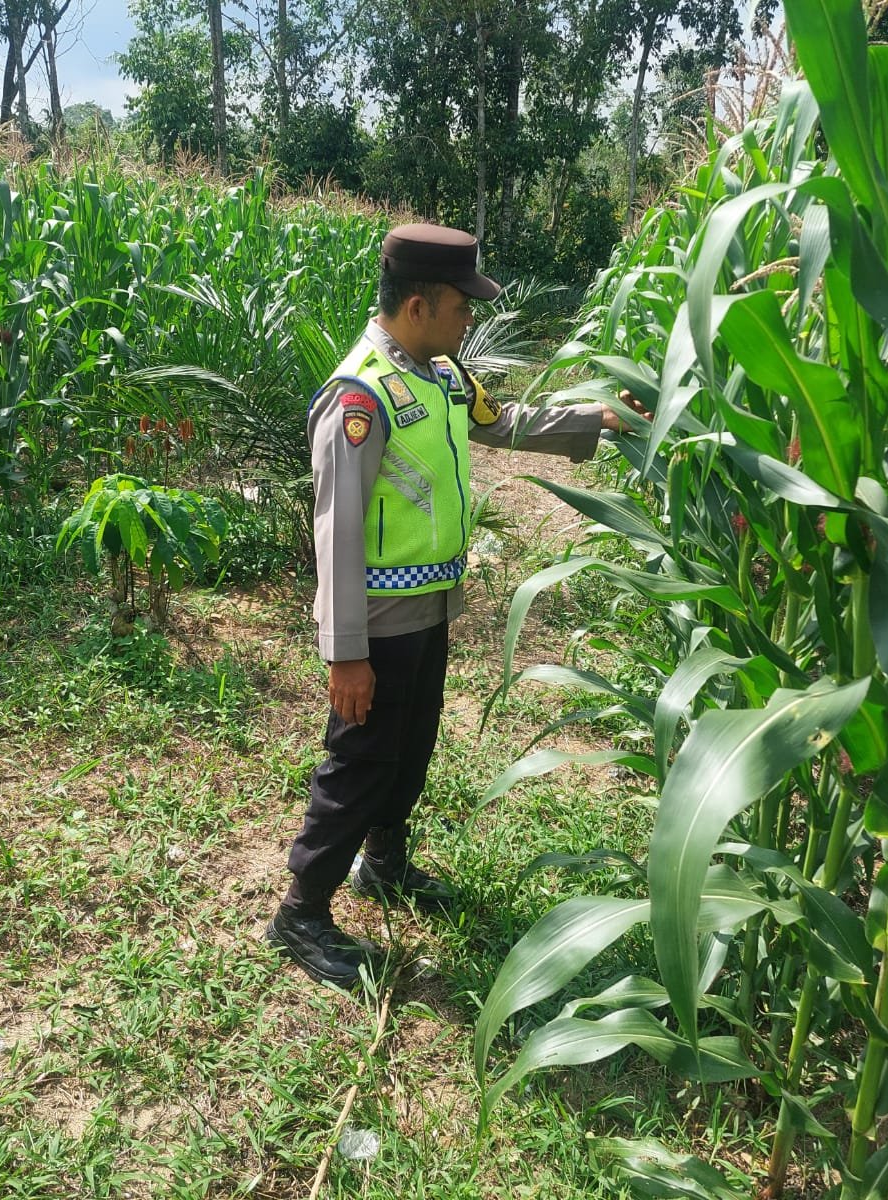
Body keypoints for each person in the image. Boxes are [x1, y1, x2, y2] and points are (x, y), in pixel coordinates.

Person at [266, 223, 639, 988]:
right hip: (377, 623)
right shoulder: (361, 395)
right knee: (361, 762)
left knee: (411, 747)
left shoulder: (440, 375)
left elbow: (503, 423)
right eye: (461, 305)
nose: (470, 318)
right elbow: (337, 532)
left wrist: (594, 422)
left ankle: (384, 861)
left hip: (431, 606)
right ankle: (301, 914)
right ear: (418, 305)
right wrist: (345, 653)